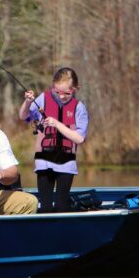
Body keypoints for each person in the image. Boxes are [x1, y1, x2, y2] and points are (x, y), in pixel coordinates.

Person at [18, 67, 89, 213]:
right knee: (45, 207)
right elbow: (24, 116)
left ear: (75, 89)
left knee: (62, 205)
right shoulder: (43, 99)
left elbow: (79, 138)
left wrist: (57, 124)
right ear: (53, 87)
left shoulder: (79, 108)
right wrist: (27, 102)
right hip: (44, 161)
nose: (62, 96)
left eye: (67, 93)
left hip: (66, 163)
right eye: (57, 92)